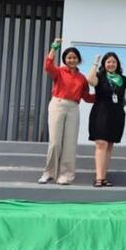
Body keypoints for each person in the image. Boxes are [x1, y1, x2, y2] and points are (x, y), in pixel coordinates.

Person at [39, 38, 94, 185]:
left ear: (78, 60)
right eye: (69, 58)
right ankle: (49, 173)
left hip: (73, 108)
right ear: (65, 60)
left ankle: (66, 175)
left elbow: (87, 97)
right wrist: (54, 48)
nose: (71, 60)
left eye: (74, 58)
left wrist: (103, 96)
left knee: (70, 144)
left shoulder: (82, 78)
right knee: (55, 142)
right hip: (58, 104)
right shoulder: (59, 72)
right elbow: (48, 65)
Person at [85, 51, 126, 187]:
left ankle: (104, 177)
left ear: (117, 64)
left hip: (116, 114)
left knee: (109, 146)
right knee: (101, 144)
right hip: (101, 113)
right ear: (104, 63)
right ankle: (98, 177)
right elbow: (90, 80)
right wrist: (95, 63)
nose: (111, 64)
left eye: (113, 62)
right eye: (108, 61)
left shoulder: (123, 79)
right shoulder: (100, 76)